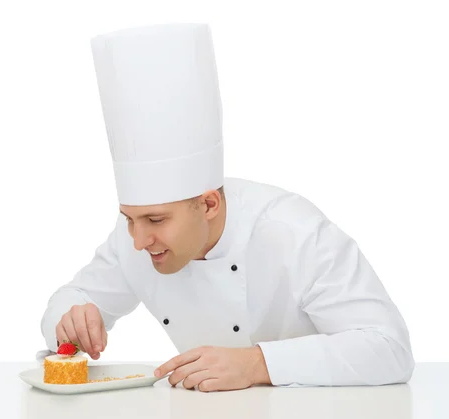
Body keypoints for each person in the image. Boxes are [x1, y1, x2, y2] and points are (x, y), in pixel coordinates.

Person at [39, 23, 414, 391]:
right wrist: (69, 319)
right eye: (129, 219)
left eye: (155, 219)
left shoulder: (294, 234)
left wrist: (257, 363)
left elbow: (390, 348)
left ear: (208, 204)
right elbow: (71, 298)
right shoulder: (135, 239)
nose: (138, 240)